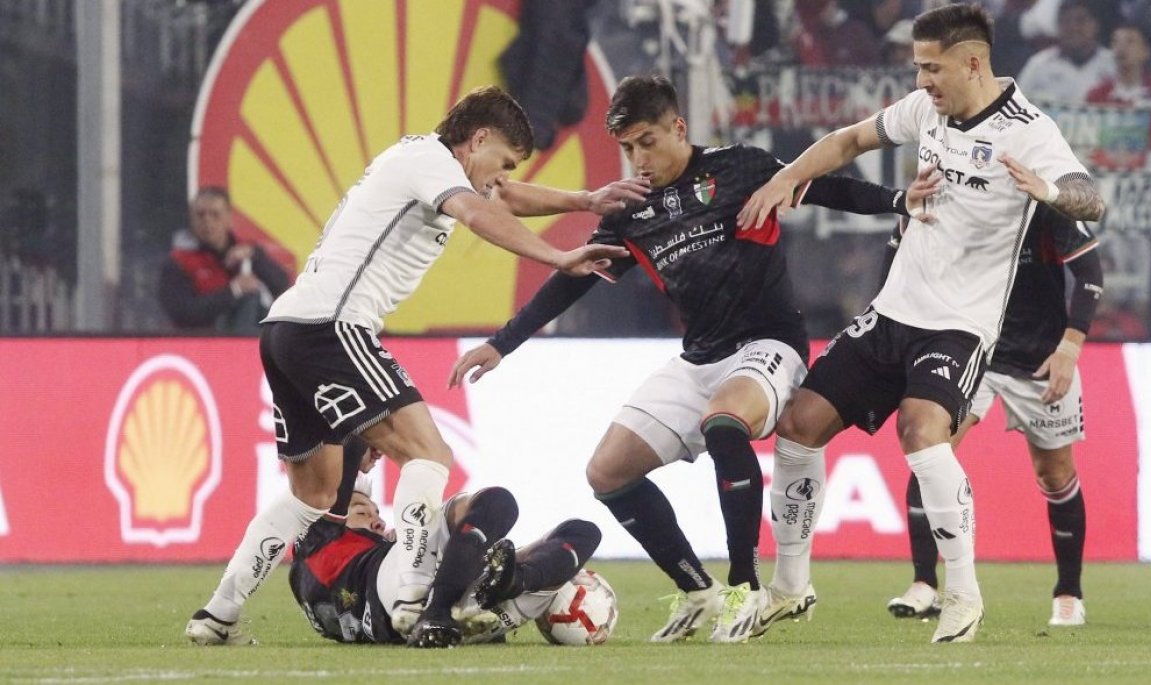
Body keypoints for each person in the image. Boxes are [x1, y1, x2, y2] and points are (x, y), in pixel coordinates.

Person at [449, 74, 927, 644]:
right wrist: (501, 343)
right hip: (698, 358)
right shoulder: (630, 210)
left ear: (678, 128)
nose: (638, 159)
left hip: (767, 346)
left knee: (725, 423)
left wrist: (899, 201)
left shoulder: (739, 167)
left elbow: (823, 186)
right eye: (627, 148)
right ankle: (698, 590)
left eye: (647, 141)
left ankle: (745, 588)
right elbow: (573, 280)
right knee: (607, 472)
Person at [184, 85, 644, 648]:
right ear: (476, 141)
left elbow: (504, 196)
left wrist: (586, 201)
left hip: (286, 330)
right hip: (332, 326)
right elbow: (479, 212)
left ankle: (218, 616)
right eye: (498, 162)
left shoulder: (425, 162)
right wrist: (557, 255)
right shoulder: (431, 163)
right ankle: (411, 598)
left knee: (314, 495)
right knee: (429, 453)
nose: (498, 178)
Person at [738, 3, 1104, 643]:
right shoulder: (925, 110)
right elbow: (851, 139)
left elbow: (1090, 197)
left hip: (960, 325)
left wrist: (1048, 192)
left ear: (973, 61)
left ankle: (962, 596)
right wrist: (790, 176)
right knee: (797, 426)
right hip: (893, 311)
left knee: (922, 431)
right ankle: (790, 588)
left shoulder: (1029, 130)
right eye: (918, 68)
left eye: (932, 68)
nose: (923, 80)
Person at [884, 204, 1103, 627]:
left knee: (1055, 475)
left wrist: (1070, 348)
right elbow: (894, 266)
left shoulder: (1041, 204)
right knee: (930, 446)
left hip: (1039, 360)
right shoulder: (944, 198)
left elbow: (1091, 275)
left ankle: (1069, 593)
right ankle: (925, 584)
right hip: (970, 350)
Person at [288, 441, 603, 648]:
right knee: (497, 502)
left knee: (584, 532)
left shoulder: (332, 574)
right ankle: (439, 611)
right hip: (398, 596)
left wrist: (511, 564)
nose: (378, 520)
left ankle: (511, 582)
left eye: (376, 513)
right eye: (361, 511)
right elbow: (338, 459)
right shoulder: (320, 543)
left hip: (459, 609)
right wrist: (367, 441)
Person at [159, 186, 291, 333]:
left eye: (215, 215)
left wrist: (256, 258)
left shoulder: (248, 251)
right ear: (191, 218)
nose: (207, 221)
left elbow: (283, 286)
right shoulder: (178, 261)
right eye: (200, 215)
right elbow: (183, 314)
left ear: (229, 218)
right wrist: (233, 290)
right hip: (200, 343)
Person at [1017, 0, 1115, 104]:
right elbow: (1016, 105)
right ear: (1057, 26)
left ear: (1095, 25)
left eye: (1080, 20)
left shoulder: (1113, 63)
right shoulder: (1039, 65)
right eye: (1066, 21)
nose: (1073, 28)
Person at [1086, 23, 1151, 152]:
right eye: (1116, 42)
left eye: (1130, 41)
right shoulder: (1096, 95)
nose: (1121, 48)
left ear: (1145, 51)